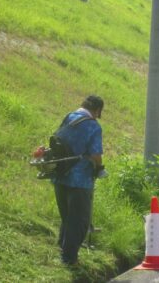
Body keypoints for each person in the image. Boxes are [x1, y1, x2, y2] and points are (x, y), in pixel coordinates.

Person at [52, 95, 104, 265]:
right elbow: (96, 154)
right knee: (80, 220)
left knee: (67, 216)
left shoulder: (69, 117)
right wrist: (99, 168)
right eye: (99, 113)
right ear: (96, 110)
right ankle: (69, 258)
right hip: (80, 180)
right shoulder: (93, 126)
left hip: (60, 174)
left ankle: (63, 246)